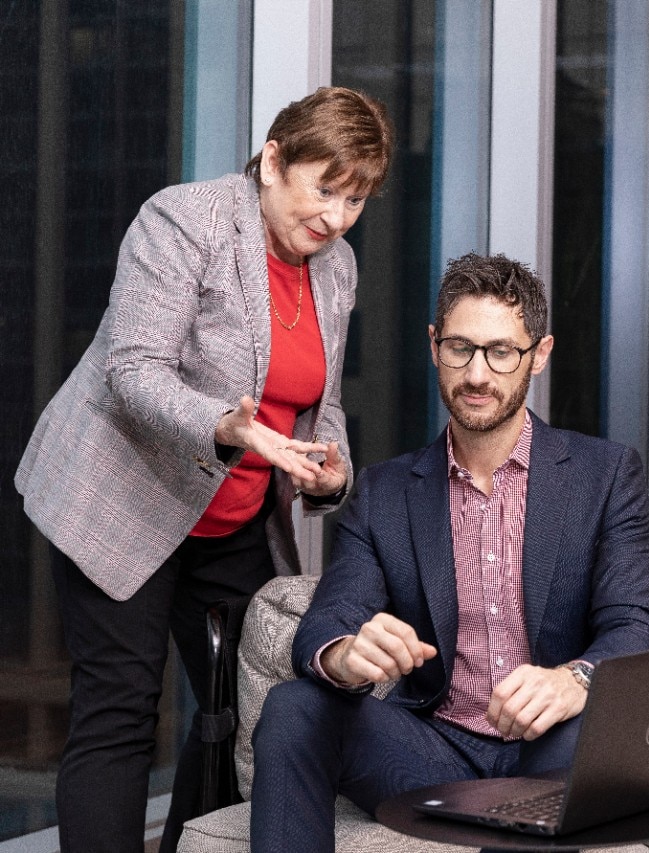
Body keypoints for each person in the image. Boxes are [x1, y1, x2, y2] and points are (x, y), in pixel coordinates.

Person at [14, 86, 394, 853]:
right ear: (274, 160)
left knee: (245, 706)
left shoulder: (337, 268)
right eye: (325, 189)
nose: (336, 217)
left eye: (355, 199)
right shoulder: (186, 220)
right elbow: (133, 370)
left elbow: (321, 404)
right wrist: (226, 425)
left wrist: (331, 470)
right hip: (123, 493)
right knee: (120, 709)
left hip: (233, 515)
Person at [248, 253, 649, 852]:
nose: (477, 374)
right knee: (294, 708)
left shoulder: (605, 474)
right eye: (460, 349)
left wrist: (573, 679)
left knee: (592, 738)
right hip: (432, 751)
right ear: (433, 346)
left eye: (502, 352)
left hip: (555, 744)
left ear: (539, 354)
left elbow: (631, 619)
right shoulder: (386, 492)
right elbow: (328, 619)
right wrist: (344, 655)